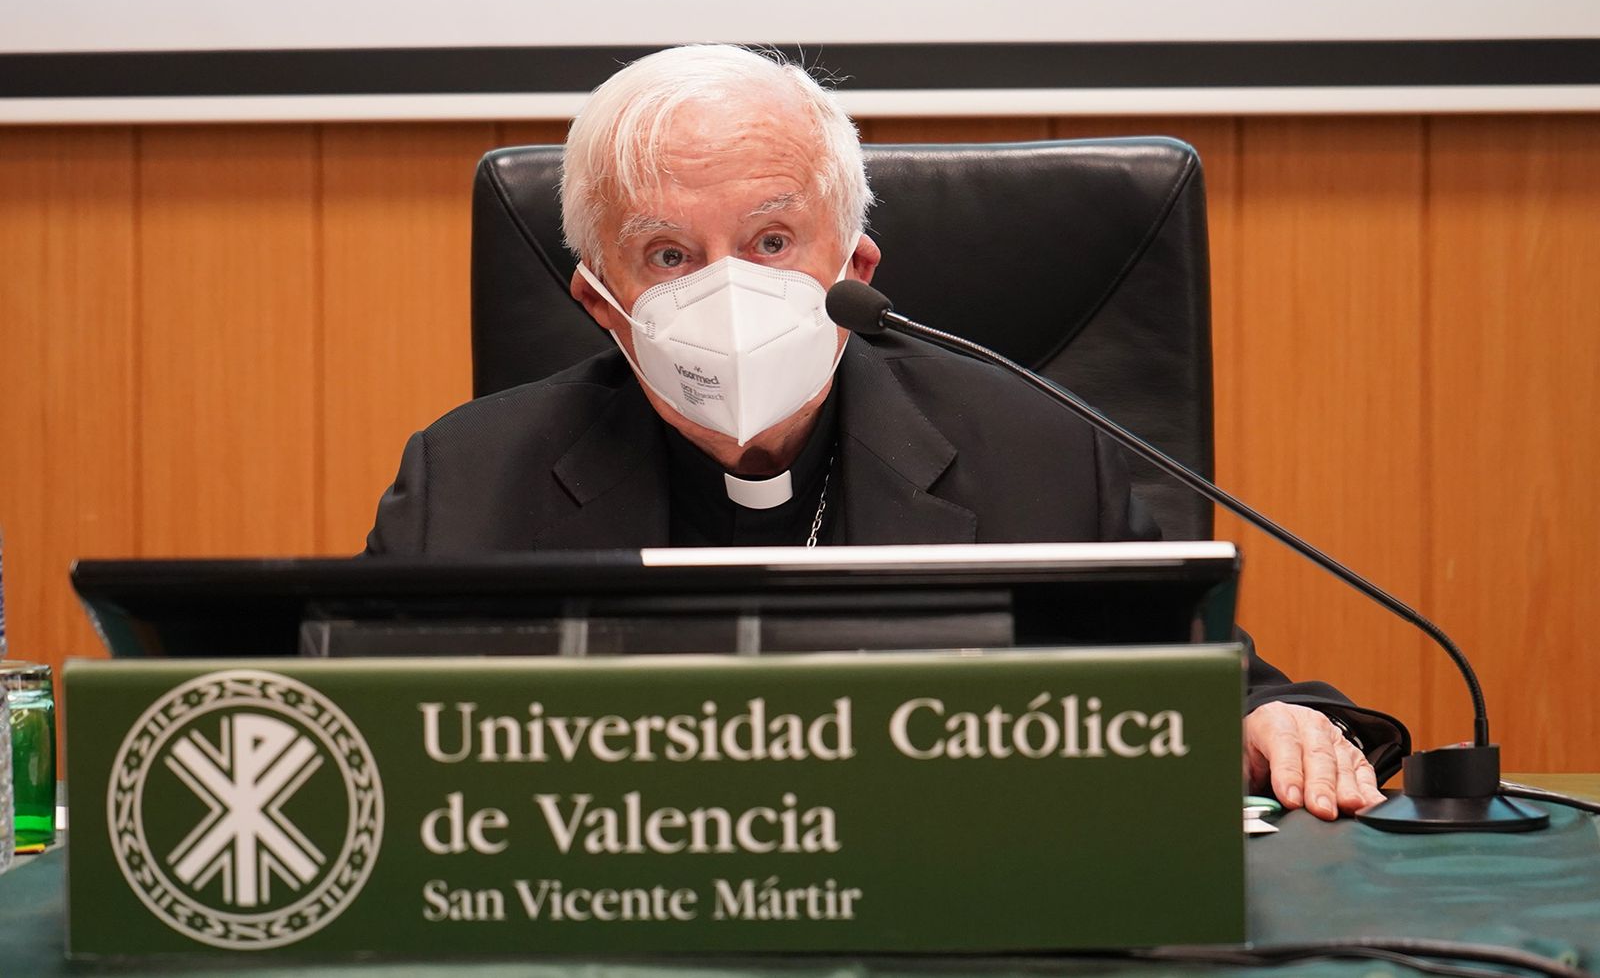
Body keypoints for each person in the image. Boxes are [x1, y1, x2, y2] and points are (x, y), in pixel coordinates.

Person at [365, 44, 1408, 820]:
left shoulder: (1033, 448)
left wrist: (1263, 723)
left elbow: (1192, 682)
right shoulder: (466, 482)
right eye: (669, 256)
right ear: (601, 302)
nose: (729, 288)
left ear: (853, 269)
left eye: (773, 240)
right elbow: (371, 746)